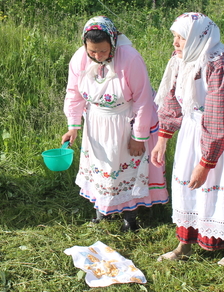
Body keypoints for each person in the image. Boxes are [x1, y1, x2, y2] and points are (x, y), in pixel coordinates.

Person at [151, 12, 224, 266]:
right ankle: (185, 244)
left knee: (223, 188)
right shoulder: (182, 59)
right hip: (193, 130)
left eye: (182, 37)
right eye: (175, 36)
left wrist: (206, 161)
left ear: (199, 37)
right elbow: (172, 99)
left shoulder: (221, 65)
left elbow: (219, 119)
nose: (175, 42)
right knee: (189, 187)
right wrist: (163, 139)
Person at [62, 16, 168, 232]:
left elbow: (143, 99)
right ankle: (101, 212)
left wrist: (139, 137)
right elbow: (73, 93)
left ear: (113, 41)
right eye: (92, 51)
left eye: (102, 51)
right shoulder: (80, 58)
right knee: (100, 168)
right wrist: (73, 126)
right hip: (95, 122)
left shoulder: (130, 58)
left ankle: (130, 219)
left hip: (123, 123)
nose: (98, 56)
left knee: (125, 168)